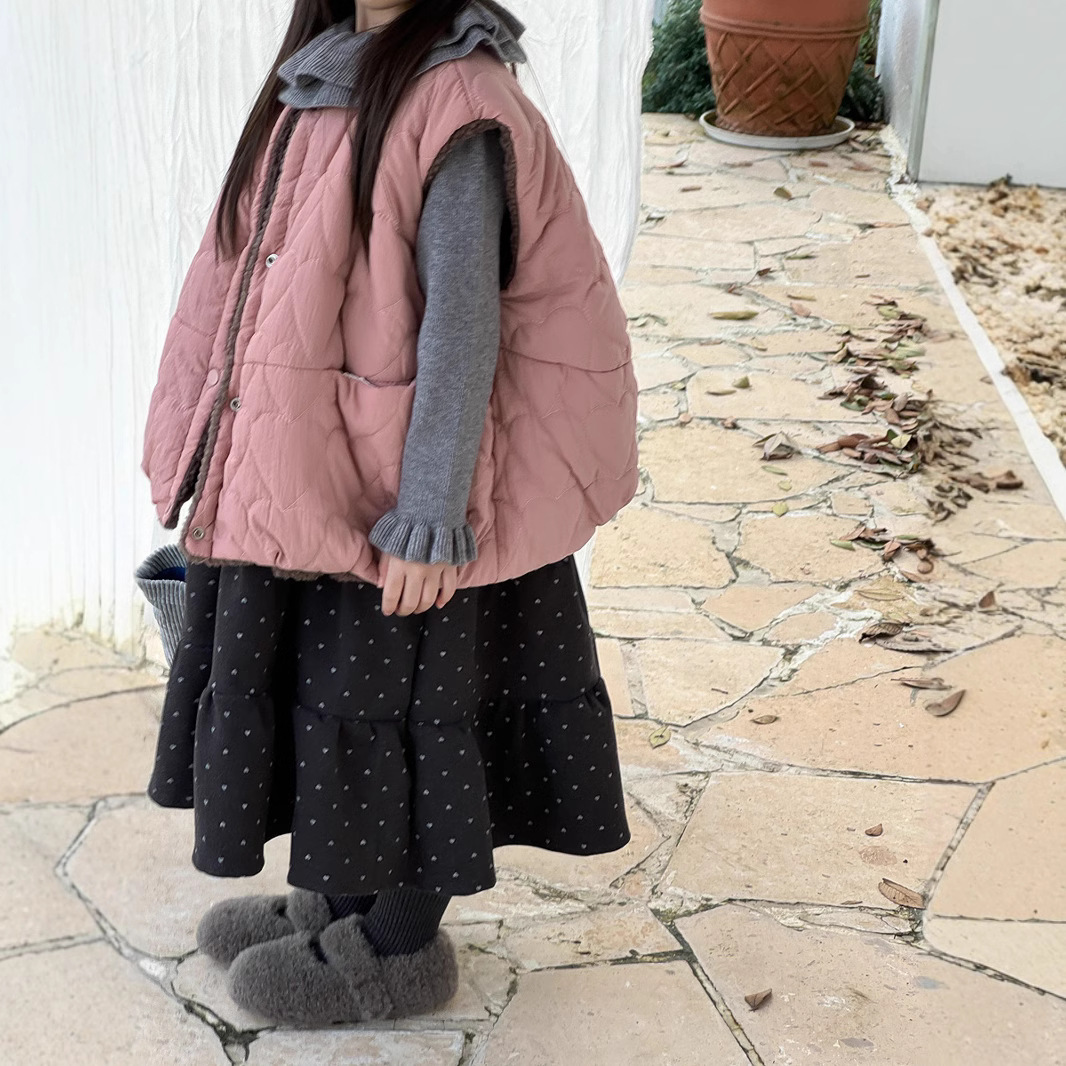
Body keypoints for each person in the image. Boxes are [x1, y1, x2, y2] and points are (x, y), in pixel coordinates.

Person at [138, 0, 639, 1026]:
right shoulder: (329, 72)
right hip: (327, 465)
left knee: (416, 716)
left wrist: (431, 515)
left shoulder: (456, 99)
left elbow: (464, 321)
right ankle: (335, 901)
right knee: (340, 696)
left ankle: (397, 944)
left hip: (415, 497)